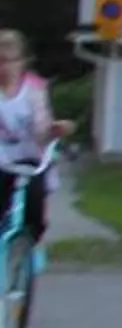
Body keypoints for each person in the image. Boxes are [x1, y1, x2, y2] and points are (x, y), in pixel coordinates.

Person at [0, 32, 74, 239]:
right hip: (1, 160)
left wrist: (54, 130)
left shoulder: (33, 89)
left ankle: (32, 241)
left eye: (9, 61)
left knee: (33, 204)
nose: (5, 68)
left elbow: (41, 127)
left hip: (30, 160)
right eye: (0, 61)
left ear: (21, 62)